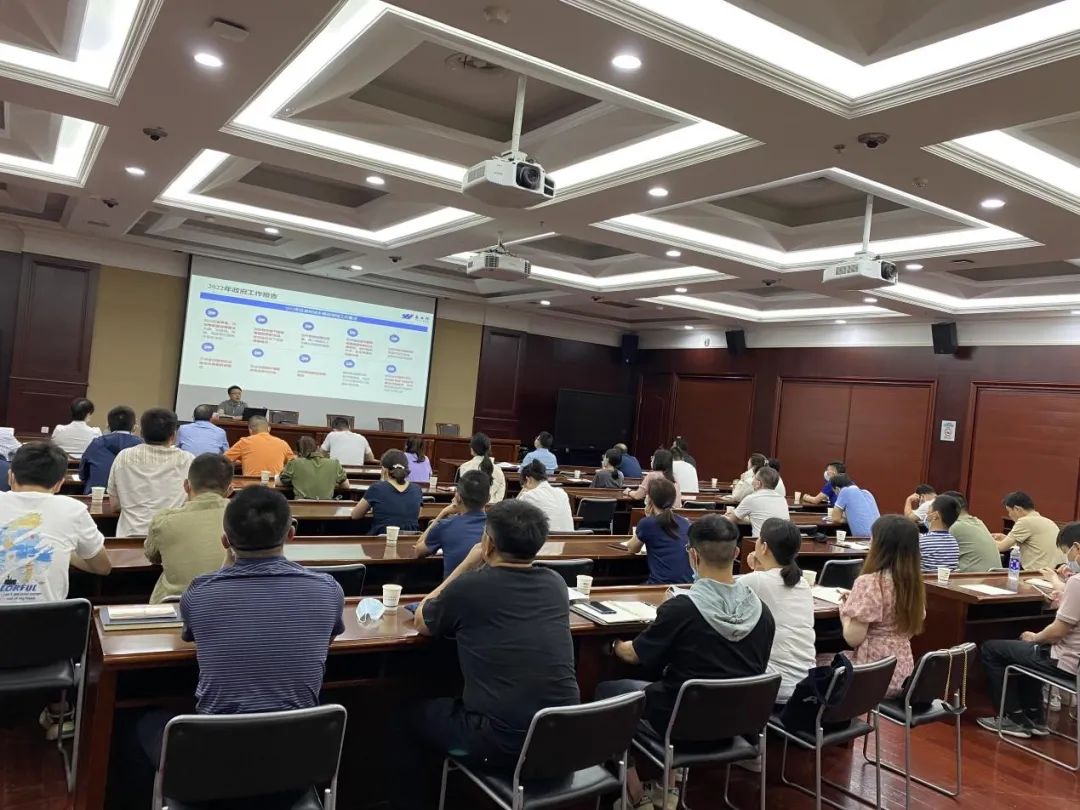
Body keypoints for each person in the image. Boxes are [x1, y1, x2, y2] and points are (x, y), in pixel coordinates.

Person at [398, 500, 579, 810]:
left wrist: (465, 566)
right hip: (560, 738)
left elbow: (422, 621)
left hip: (502, 744)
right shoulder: (556, 584)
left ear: (488, 543)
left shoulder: (470, 586)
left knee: (408, 716)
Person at [599, 515, 774, 808]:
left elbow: (633, 655)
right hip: (736, 725)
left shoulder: (681, 609)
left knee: (607, 691)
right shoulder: (763, 613)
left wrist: (614, 645)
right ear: (736, 553)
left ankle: (633, 793)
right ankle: (667, 785)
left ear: (693, 555)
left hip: (680, 726)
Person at [180, 487, 345, 711]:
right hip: (300, 731)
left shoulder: (199, 593)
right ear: (291, 534)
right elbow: (324, 643)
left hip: (220, 732)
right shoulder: (328, 590)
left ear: (225, 540)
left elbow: (201, 641)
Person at [977, 528, 1080, 738]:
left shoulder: (1077, 582)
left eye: (1067, 552)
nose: (1067, 559)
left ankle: (1012, 718)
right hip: (1074, 661)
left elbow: (1057, 632)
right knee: (1029, 650)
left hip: (1065, 662)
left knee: (991, 649)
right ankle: (1034, 717)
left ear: (1077, 548)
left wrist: (1035, 637)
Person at [0, 441, 111, 603]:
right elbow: (102, 567)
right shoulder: (74, 509)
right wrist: (68, 553)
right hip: (50, 617)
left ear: (10, 476)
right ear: (59, 484)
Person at [840, 515, 925, 697]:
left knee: (818, 665)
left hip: (872, 675)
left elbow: (853, 638)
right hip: (903, 674)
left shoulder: (869, 582)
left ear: (881, 546)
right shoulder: (914, 584)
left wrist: (846, 613)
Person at [741, 518, 816, 703]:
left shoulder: (756, 581)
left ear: (764, 547)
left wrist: (757, 571)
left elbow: (720, 590)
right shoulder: (802, 583)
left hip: (774, 688)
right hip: (805, 685)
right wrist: (759, 568)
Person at [144, 453, 233, 603]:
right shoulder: (244, 518)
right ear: (230, 490)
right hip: (228, 604)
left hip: (175, 607)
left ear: (186, 485)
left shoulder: (163, 520)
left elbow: (152, 556)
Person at [108, 409, 194, 538]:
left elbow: (114, 505)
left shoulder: (124, 457)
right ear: (173, 436)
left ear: (141, 433)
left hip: (130, 537)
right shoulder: (188, 459)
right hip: (172, 538)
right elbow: (193, 502)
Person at [415, 470, 489, 578]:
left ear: (458, 497)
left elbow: (418, 550)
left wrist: (442, 513)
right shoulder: (498, 527)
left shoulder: (445, 525)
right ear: (488, 498)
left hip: (453, 588)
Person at [628, 477, 693, 585]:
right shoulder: (685, 522)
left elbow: (632, 548)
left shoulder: (647, 523)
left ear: (649, 499)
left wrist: (648, 518)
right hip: (687, 585)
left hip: (661, 586)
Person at [351, 449, 422, 535]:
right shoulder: (417, 489)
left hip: (381, 540)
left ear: (384, 469)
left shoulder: (377, 488)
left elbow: (355, 515)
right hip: (410, 541)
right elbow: (417, 516)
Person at [993, 491, 1065, 571]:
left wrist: (986, 539)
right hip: (1056, 571)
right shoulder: (1048, 521)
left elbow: (1000, 547)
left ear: (1017, 509)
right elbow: (1033, 545)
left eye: (1009, 511)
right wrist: (1005, 538)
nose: (1009, 515)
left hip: (1037, 574)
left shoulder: (1024, 521)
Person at [79, 405, 142, 493]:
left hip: (98, 496)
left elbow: (82, 474)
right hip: (132, 497)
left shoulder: (97, 443)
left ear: (108, 426)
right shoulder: (142, 445)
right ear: (134, 426)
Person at [941, 490, 1001, 572]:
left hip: (971, 577)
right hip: (995, 576)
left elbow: (935, 554)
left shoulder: (955, 526)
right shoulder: (979, 522)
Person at [729, 465, 790, 537]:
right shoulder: (782, 499)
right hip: (782, 542)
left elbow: (732, 519)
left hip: (760, 542)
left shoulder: (751, 499)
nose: (752, 481)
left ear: (758, 484)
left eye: (754, 478)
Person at [224, 415, 295, 477]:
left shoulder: (244, 442)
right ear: (269, 429)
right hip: (275, 486)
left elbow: (223, 460)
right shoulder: (283, 443)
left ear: (250, 430)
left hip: (251, 486)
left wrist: (241, 460)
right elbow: (294, 465)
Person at [516, 459, 574, 533]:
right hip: (569, 538)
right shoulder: (562, 493)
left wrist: (522, 492)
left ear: (528, 480)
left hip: (546, 539)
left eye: (524, 486)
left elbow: (511, 516)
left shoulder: (529, 496)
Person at [279, 436, 346, 500]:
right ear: (318, 448)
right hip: (327, 506)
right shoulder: (334, 463)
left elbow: (279, 482)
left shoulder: (294, 463)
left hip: (302, 506)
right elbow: (346, 485)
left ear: (298, 453)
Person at [458, 433, 505, 503]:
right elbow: (500, 496)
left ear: (472, 449)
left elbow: (464, 492)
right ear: (489, 448)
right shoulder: (498, 469)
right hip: (493, 507)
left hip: (471, 507)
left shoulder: (465, 467)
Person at [918, 494, 961, 572]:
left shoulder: (922, 541)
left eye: (929, 508)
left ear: (935, 515)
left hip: (926, 579)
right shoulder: (954, 542)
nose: (927, 513)